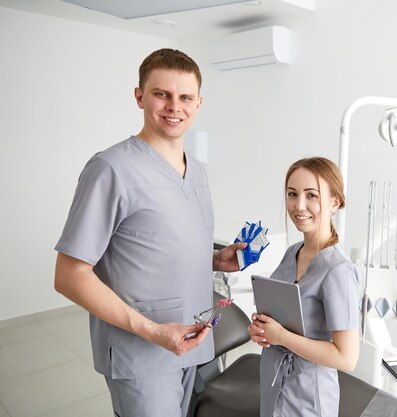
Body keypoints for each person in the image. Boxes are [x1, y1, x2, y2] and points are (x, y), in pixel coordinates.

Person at [53, 48, 245, 417]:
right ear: (140, 96)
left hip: (199, 344)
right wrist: (153, 331)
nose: (175, 106)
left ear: (198, 103)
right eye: (162, 94)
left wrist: (214, 261)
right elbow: (69, 275)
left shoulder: (199, 172)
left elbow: (154, 246)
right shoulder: (111, 169)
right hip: (143, 354)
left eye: (185, 97)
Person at [248, 157, 360, 417]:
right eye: (292, 194)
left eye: (312, 195)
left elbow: (347, 358)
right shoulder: (293, 252)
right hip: (275, 384)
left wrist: (281, 337)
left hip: (309, 398)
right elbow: (283, 317)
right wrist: (262, 328)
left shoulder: (338, 270)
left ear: (335, 202)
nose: (299, 206)